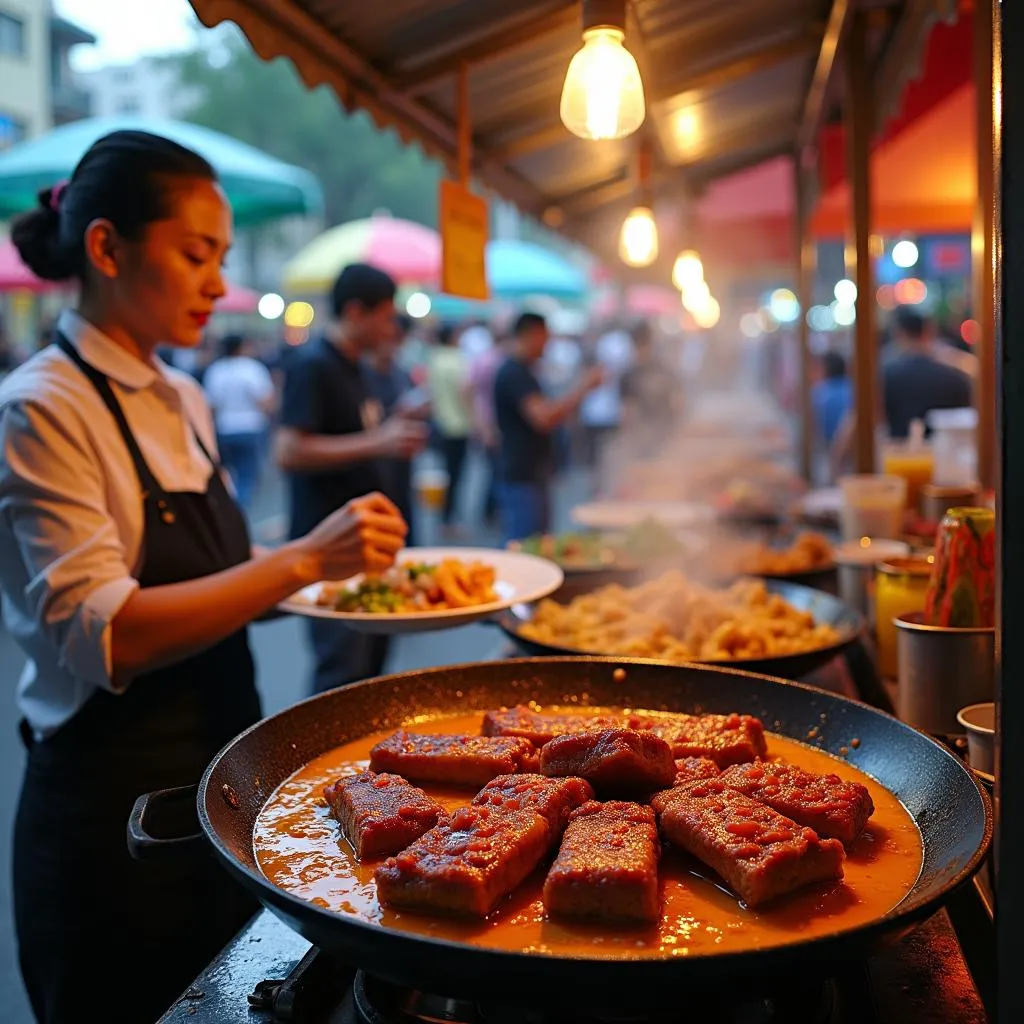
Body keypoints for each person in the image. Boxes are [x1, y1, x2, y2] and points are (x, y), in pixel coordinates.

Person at [0, 130, 407, 1024]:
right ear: (106, 248)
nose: (220, 284)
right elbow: (110, 633)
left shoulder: (181, 396)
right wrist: (305, 557)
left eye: (220, 257)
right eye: (196, 255)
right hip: (106, 811)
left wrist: (346, 573)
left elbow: (222, 582)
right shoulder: (42, 407)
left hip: (223, 779)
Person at [276, 263, 427, 694]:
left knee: (373, 668)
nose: (391, 324)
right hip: (330, 544)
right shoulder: (313, 363)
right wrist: (379, 441)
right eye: (385, 314)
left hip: (366, 544)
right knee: (342, 673)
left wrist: (393, 425)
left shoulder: (357, 366)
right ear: (357, 312)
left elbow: (359, 432)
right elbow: (289, 451)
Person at [493, 312, 602, 543]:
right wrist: (584, 388)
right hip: (521, 476)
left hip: (533, 475)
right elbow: (544, 418)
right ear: (532, 335)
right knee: (524, 547)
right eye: (545, 336)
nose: (548, 343)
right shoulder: (514, 372)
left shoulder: (526, 370)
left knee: (537, 542)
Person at [362, 326, 429, 543]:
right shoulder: (362, 376)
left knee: (403, 518)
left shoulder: (399, 372)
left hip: (400, 462)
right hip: (374, 466)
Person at [203, 332, 276, 512]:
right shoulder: (252, 369)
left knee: (225, 477)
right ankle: (238, 514)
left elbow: (211, 406)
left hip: (223, 428)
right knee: (246, 476)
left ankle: (228, 511)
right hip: (250, 428)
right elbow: (266, 402)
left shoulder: (216, 370)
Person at [883, 306, 972, 438]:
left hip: (900, 452)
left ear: (900, 334)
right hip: (947, 452)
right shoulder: (955, 375)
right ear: (929, 332)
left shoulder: (888, 374)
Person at [427, 322, 473, 535]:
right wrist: (475, 418)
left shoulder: (435, 359)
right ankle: (449, 520)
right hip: (459, 425)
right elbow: (465, 392)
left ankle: (445, 519)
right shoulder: (457, 360)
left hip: (441, 423)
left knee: (448, 474)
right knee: (457, 476)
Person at [619, 321, 681, 457]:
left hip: (660, 436)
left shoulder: (633, 372)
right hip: (648, 437)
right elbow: (627, 412)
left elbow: (677, 401)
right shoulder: (631, 373)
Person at [810, 351, 852, 448]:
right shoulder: (854, 389)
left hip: (829, 447)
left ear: (826, 369)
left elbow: (813, 429)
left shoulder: (819, 393)